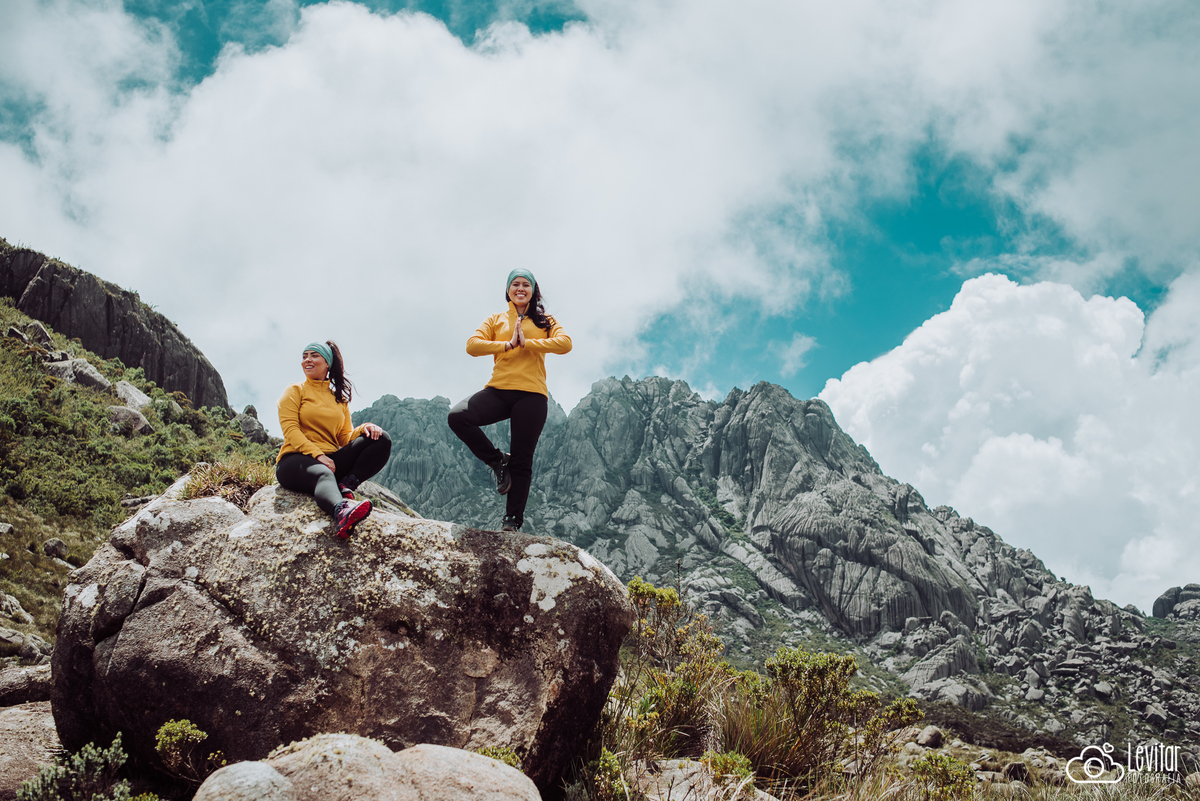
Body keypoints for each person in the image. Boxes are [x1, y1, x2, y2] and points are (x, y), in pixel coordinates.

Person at [448, 269, 571, 532]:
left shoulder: (545, 321)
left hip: (532, 395)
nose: (520, 288)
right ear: (508, 290)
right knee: (458, 416)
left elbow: (565, 344)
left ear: (533, 291)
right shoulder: (496, 319)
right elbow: (472, 345)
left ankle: (512, 521)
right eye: (515, 284)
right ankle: (497, 461)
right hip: (499, 390)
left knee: (522, 460)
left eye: (526, 284)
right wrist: (507, 344)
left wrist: (529, 343)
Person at [276, 341, 391, 539]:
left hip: (330, 460)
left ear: (327, 363)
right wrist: (318, 456)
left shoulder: (339, 399)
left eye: (314, 356)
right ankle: (341, 512)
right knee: (323, 473)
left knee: (381, 439)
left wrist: (365, 428)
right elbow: (291, 431)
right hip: (295, 461)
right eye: (304, 356)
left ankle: (345, 485)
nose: (307, 360)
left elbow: (344, 438)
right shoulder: (295, 390)